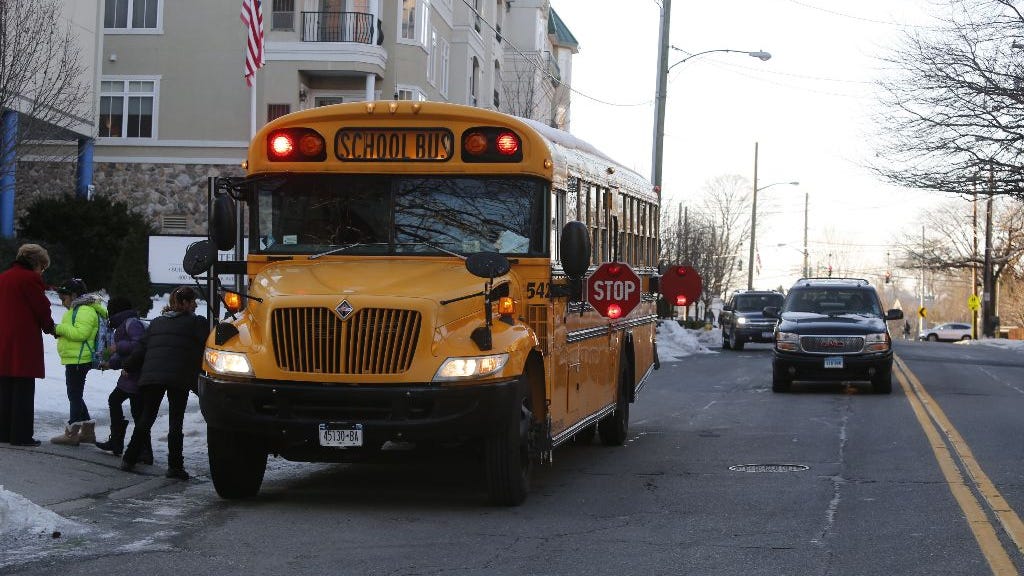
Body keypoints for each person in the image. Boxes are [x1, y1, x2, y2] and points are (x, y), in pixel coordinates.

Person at [121, 286, 208, 480]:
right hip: (179, 377)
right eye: (192, 301)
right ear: (184, 303)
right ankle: (175, 466)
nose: (195, 304)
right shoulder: (196, 323)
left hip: (153, 376)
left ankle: (129, 458)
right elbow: (207, 344)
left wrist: (129, 365)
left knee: (146, 417)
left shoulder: (157, 323)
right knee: (175, 421)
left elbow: (142, 348)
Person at [0, 244, 56, 447]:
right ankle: (21, 435)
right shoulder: (30, 279)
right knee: (23, 385)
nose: (42, 272)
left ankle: (4, 432)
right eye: (42, 267)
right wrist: (50, 327)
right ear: (36, 263)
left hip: (3, 336)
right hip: (23, 338)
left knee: (5, 385)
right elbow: (41, 306)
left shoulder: (3, 276)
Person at [94, 296, 152, 463]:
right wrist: (110, 364)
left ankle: (144, 451)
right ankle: (118, 441)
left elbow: (138, 345)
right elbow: (124, 354)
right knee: (116, 401)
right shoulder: (123, 324)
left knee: (137, 411)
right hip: (130, 374)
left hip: (136, 374)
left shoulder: (131, 323)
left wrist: (116, 347)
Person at [51, 278, 107, 446]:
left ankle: (72, 434)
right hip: (76, 357)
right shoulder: (80, 308)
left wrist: (58, 328)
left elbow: (81, 334)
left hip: (79, 358)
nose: (62, 303)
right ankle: (88, 432)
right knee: (76, 393)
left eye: (64, 299)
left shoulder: (84, 310)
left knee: (74, 395)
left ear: (74, 295)